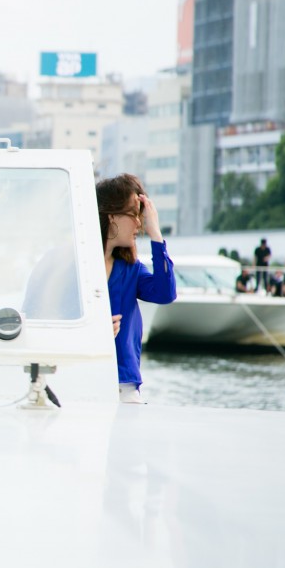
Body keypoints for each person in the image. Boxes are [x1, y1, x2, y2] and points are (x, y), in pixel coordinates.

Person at [97, 173, 177, 405]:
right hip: (82, 376)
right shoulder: (78, 268)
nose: (140, 223)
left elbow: (165, 293)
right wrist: (95, 329)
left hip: (125, 386)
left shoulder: (131, 269)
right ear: (112, 216)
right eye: (134, 214)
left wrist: (156, 234)